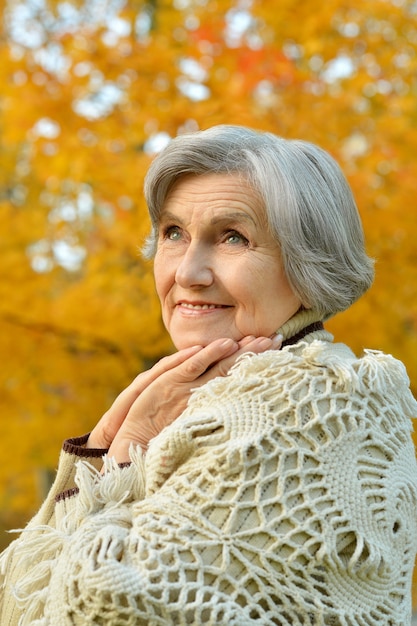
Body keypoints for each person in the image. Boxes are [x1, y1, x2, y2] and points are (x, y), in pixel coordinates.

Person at [1, 124, 417, 626]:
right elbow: (15, 593)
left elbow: (103, 610)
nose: (186, 272)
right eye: (173, 233)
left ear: (310, 268)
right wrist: (107, 443)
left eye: (232, 237)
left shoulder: (316, 402)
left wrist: (130, 442)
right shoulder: (208, 397)